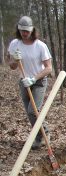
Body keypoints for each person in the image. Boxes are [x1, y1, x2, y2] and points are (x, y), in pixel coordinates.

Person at [8, 16, 52, 150]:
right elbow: (12, 66)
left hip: (38, 81)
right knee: (30, 113)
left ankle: (41, 136)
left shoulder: (40, 46)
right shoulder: (15, 44)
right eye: (22, 31)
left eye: (27, 31)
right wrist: (15, 60)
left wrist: (33, 78)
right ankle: (42, 133)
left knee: (33, 111)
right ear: (18, 30)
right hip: (23, 81)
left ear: (32, 30)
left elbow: (49, 68)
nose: (24, 33)